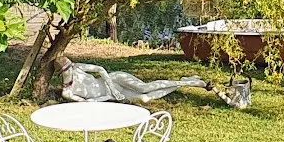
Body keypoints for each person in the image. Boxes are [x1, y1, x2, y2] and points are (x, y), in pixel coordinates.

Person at [58, 58, 207, 104]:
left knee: (144, 88)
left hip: (114, 80)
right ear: (62, 74)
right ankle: (181, 82)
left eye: (70, 66)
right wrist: (109, 97)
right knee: (144, 99)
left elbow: (100, 69)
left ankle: (190, 83)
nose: (71, 69)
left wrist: (113, 89)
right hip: (111, 95)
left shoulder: (78, 67)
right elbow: (88, 104)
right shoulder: (68, 92)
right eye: (67, 69)